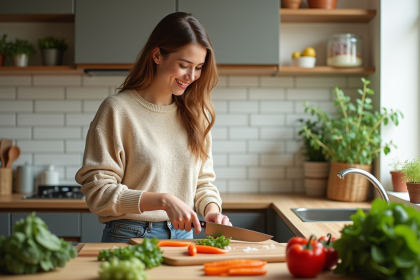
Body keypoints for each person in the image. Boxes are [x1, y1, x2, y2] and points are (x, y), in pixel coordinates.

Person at [75, 12, 231, 243]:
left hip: (185, 236)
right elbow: (98, 193)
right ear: (157, 55)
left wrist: (211, 210)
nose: (192, 76)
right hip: (130, 235)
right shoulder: (117, 110)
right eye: (184, 65)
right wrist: (163, 200)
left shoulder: (196, 114)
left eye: (199, 67)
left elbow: (202, 182)